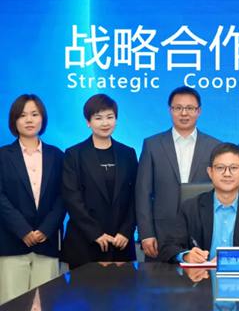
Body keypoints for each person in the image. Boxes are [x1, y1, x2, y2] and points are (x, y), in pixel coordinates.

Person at [159, 143, 239, 263]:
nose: (227, 174)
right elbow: (167, 248)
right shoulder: (190, 208)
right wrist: (186, 256)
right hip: (200, 278)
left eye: (234, 168)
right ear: (210, 172)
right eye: (220, 168)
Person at [136, 86, 220, 260]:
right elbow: (143, 192)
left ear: (199, 111)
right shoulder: (152, 145)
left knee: (203, 276)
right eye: (178, 108)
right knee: (158, 277)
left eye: (190, 108)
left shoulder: (214, 146)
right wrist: (146, 233)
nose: (184, 113)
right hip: (161, 233)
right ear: (170, 110)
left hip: (202, 231)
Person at [0, 94, 65, 303]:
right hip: (11, 243)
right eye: (22, 115)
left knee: (46, 302)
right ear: (14, 121)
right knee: (12, 303)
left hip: (47, 243)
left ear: (42, 118)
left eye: (34, 114)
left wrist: (45, 229)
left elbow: (64, 196)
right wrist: (23, 230)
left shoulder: (57, 155)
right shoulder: (3, 155)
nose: (29, 120)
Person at [61, 94, 138, 269]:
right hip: (84, 243)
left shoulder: (128, 153)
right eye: (98, 118)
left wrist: (126, 231)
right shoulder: (74, 154)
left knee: (123, 287)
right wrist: (95, 233)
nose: (105, 123)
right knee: (85, 287)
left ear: (116, 120)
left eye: (110, 117)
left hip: (120, 243)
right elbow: (72, 198)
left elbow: (136, 196)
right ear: (88, 122)